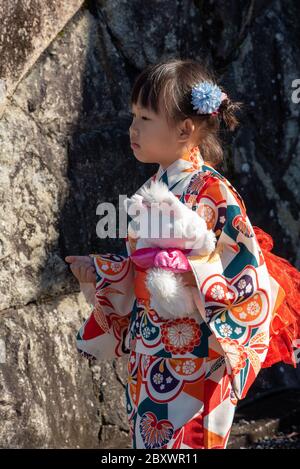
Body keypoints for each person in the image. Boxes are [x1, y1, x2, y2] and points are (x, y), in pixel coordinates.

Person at [65, 59, 300, 449]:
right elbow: (140, 269)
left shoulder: (213, 191)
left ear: (185, 129)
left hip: (198, 356)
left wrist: (192, 273)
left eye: (145, 117)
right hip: (152, 354)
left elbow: (246, 273)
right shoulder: (153, 189)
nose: (133, 129)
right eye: (133, 116)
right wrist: (103, 272)